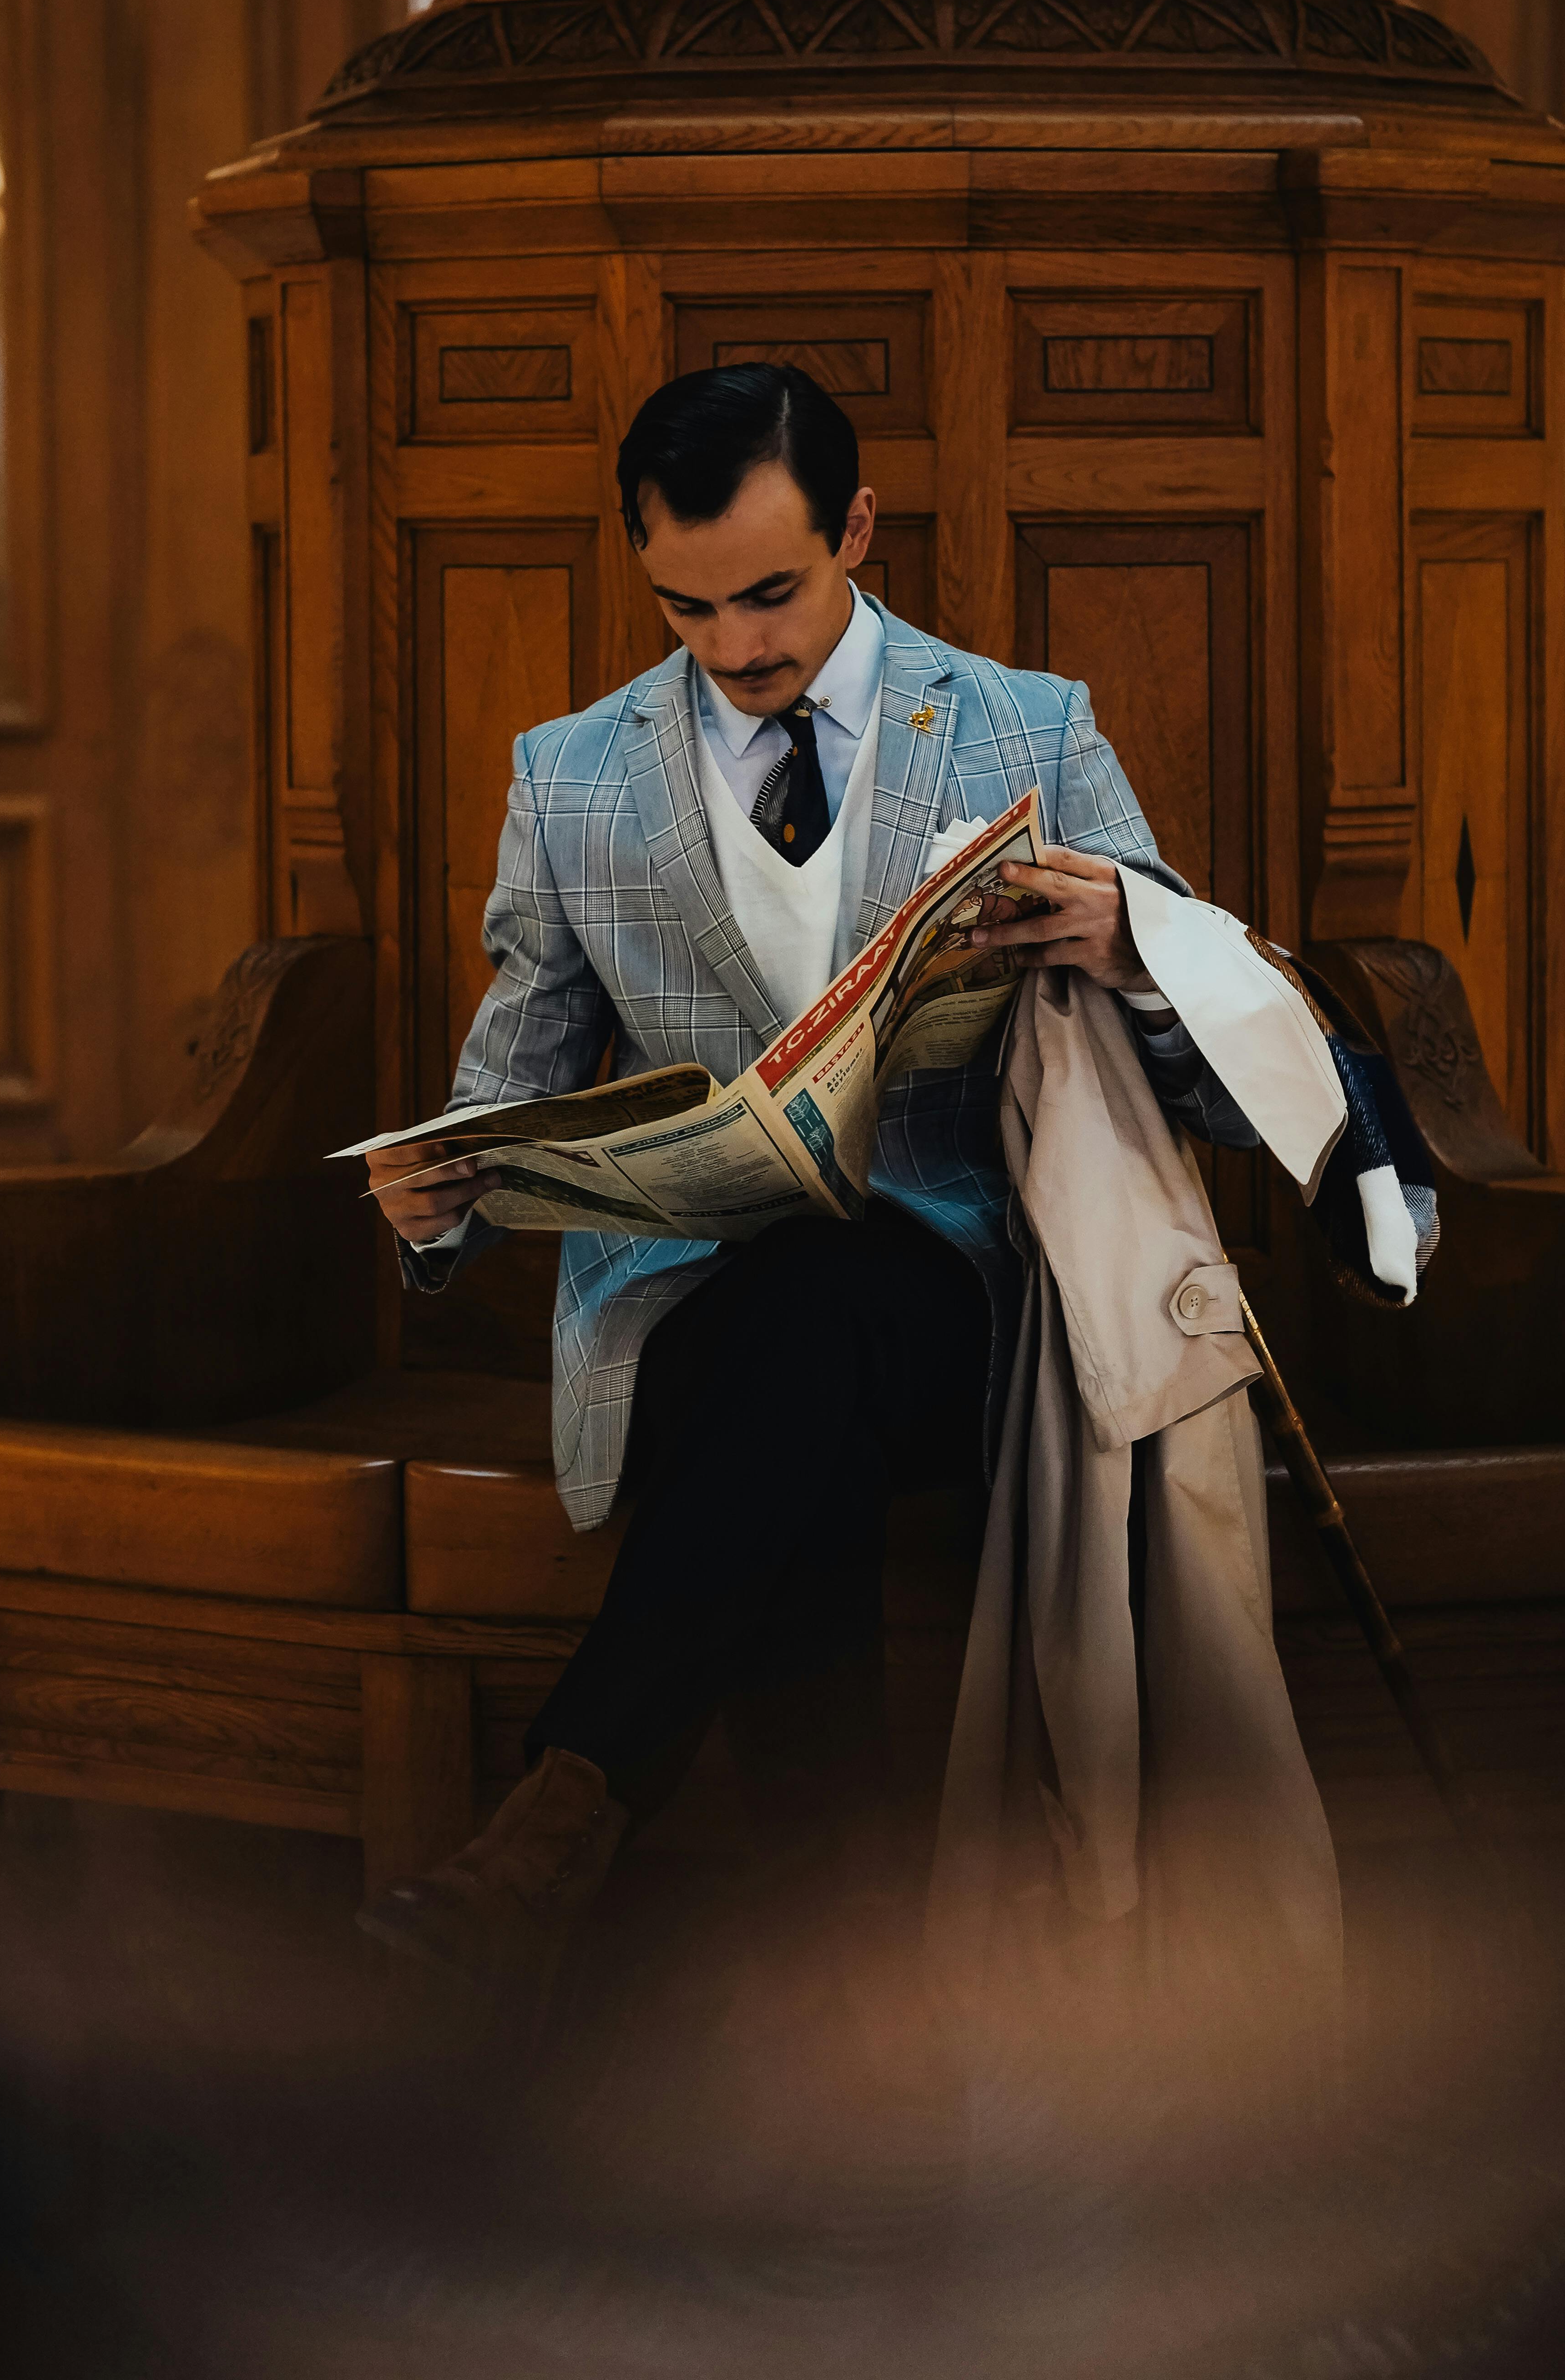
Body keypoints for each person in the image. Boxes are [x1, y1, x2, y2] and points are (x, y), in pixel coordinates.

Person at [356, 363, 1253, 1990]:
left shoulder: (1023, 728)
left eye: (772, 593)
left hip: (963, 1301)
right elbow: (511, 1087)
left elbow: (1226, 1085)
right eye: (687, 608)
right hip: (690, 1309)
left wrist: (1136, 949)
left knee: (823, 1315)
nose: (738, 647)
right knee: (788, 1370)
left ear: (857, 528)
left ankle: (568, 1834)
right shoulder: (571, 775)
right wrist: (444, 1200)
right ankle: (842, 1989)